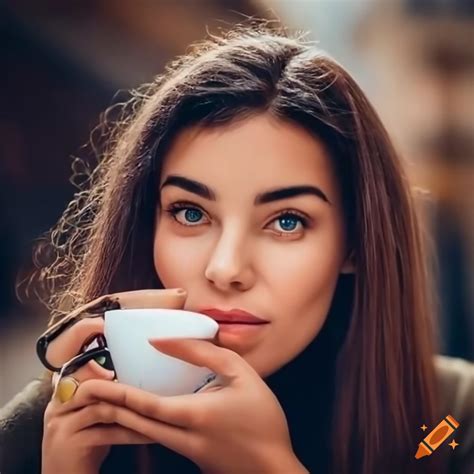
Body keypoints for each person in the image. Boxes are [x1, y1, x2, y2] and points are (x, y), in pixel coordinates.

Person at [0, 23, 472, 474]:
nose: (225, 269)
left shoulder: (447, 421)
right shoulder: (66, 414)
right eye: (190, 213)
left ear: (355, 243)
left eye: (287, 221)